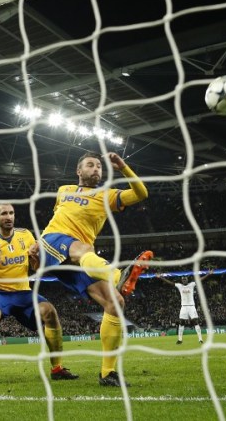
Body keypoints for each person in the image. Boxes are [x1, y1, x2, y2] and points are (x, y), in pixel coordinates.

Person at [37, 151, 152, 387]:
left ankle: (107, 373)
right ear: (79, 171)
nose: (96, 169)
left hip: (80, 259)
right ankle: (116, 274)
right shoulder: (64, 191)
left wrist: (123, 167)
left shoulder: (107, 195)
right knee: (82, 249)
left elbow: (142, 193)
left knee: (115, 302)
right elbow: (59, 219)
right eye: (90, 165)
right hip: (53, 242)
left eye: (99, 166)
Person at [0, 203, 78, 385]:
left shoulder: (26, 235)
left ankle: (57, 368)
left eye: (11, 213)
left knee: (50, 311)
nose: (9, 217)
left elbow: (34, 267)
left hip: (24, 293)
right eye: (4, 213)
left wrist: (36, 263)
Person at [156, 270, 213, 344]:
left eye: (185, 279)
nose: (184, 280)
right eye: (183, 279)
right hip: (183, 307)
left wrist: (208, 274)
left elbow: (200, 280)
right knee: (181, 322)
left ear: (187, 280)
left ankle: (200, 339)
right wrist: (161, 278)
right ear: (182, 280)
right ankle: (180, 339)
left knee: (195, 321)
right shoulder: (180, 286)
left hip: (192, 307)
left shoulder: (192, 284)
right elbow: (170, 283)